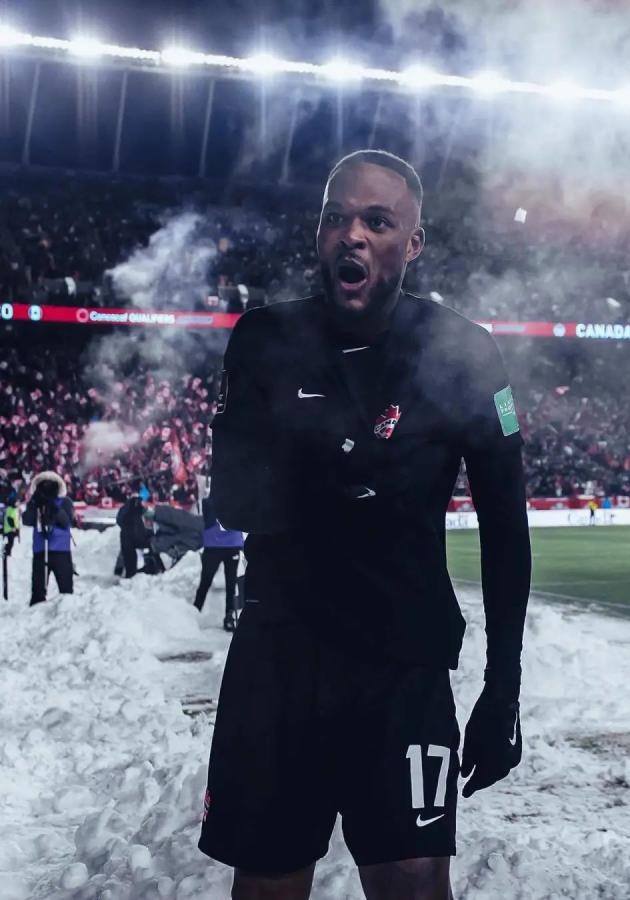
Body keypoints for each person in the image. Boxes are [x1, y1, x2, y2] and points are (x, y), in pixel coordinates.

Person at [200, 150, 531, 900]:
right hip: (280, 663)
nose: (352, 234)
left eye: (377, 221)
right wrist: (344, 473)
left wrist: (503, 688)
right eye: (336, 218)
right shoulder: (265, 339)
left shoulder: (466, 353)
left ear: (414, 243)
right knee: (268, 885)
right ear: (319, 234)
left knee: (414, 883)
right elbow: (235, 502)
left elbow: (506, 532)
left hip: (404, 668)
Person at [21, 471, 75, 606]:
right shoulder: (36, 503)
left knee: (66, 590)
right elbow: (27, 520)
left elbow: (66, 522)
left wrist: (52, 505)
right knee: (38, 591)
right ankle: (35, 613)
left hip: (61, 550)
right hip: (40, 550)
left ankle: (67, 613)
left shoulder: (65, 502)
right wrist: (34, 503)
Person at [194, 494, 244, 633]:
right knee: (227, 583)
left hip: (216, 544)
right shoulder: (238, 499)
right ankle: (228, 617)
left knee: (208, 582)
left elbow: (206, 519)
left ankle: (195, 613)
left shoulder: (210, 501)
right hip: (228, 543)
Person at [115, 494, 153, 578]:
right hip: (135, 537)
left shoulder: (125, 510)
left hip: (126, 536)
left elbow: (119, 520)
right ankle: (150, 567)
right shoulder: (137, 512)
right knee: (151, 546)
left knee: (127, 556)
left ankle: (120, 571)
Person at [2, 488, 20, 557]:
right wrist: (14, 527)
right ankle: (6, 552)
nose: (18, 503)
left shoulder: (13, 509)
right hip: (10, 529)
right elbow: (10, 519)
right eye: (17, 502)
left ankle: (7, 552)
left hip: (11, 529)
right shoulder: (11, 509)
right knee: (10, 542)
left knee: (11, 542)